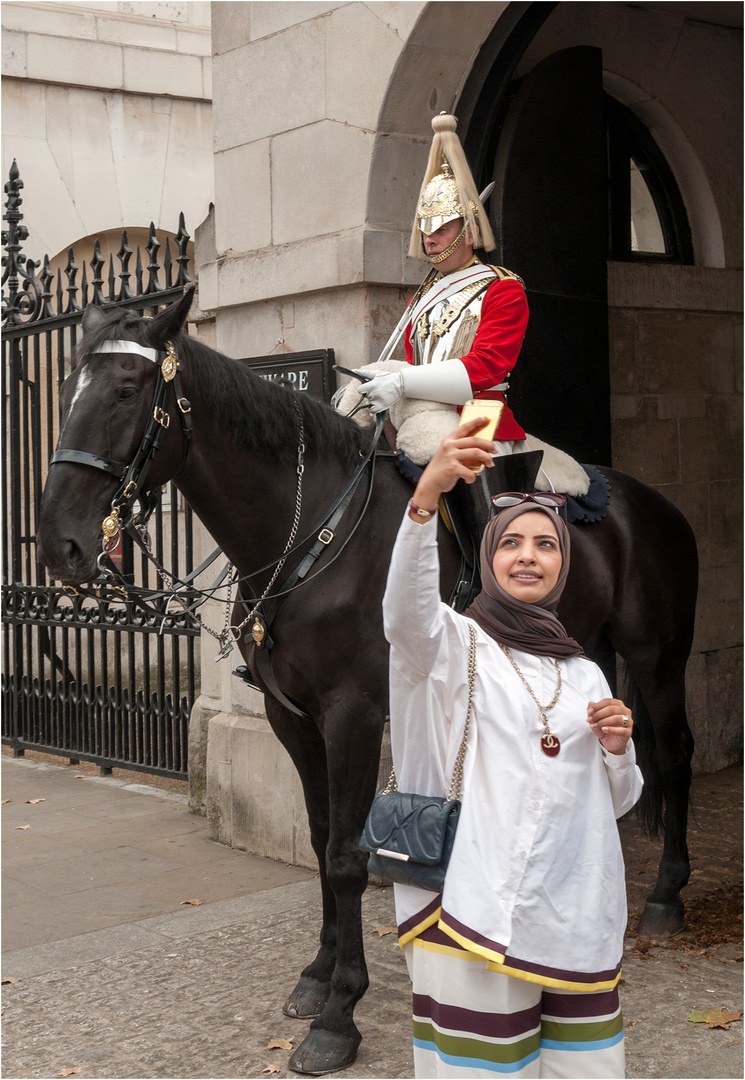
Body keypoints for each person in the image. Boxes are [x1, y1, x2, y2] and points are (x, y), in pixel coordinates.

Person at [382, 417, 643, 1079]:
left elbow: (609, 802)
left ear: (562, 565)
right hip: (469, 907)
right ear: (489, 559)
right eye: (511, 544)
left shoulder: (582, 671)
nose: (528, 555)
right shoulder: (449, 648)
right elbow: (404, 613)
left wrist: (616, 752)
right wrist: (425, 500)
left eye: (545, 545)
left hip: (572, 913)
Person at [358, 112, 529, 466]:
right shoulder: (422, 296)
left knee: (460, 475)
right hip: (419, 411)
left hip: (480, 414)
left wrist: (403, 382)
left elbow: (487, 368)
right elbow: (413, 360)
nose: (429, 239)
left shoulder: (503, 289)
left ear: (469, 233)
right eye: (425, 228)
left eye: (442, 228)